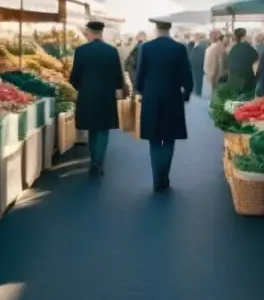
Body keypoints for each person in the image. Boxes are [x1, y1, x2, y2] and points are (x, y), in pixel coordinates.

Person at [134, 19, 193, 192]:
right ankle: (164, 176)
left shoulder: (146, 47)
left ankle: (156, 178)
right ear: (170, 29)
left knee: (153, 138)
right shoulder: (179, 48)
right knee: (169, 138)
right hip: (172, 97)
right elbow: (187, 76)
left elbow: (140, 75)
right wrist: (186, 94)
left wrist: (140, 92)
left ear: (156, 29)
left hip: (151, 97)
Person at [69, 21, 126, 177]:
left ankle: (94, 159)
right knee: (103, 129)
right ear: (101, 32)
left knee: (92, 128)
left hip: (87, 94)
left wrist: (81, 87)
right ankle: (98, 161)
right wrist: (117, 89)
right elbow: (118, 75)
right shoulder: (111, 51)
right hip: (106, 95)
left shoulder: (81, 51)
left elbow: (74, 76)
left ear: (89, 32)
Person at [226, 28, 258, 94]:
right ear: (244, 36)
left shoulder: (232, 48)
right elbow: (256, 59)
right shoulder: (247, 47)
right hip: (246, 80)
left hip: (233, 79)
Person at [189, 33, 208, 97]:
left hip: (198, 66)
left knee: (198, 80)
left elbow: (198, 57)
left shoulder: (201, 46)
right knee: (197, 79)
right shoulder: (201, 45)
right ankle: (197, 91)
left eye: (195, 37)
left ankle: (198, 92)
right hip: (198, 65)